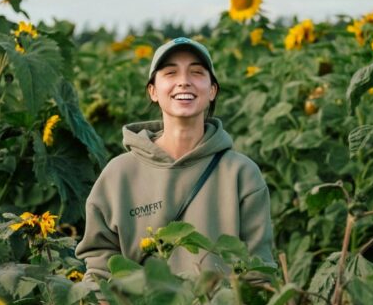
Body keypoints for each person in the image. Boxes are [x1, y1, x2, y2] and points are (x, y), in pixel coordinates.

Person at [76, 37, 274, 281]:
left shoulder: (241, 174)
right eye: (170, 73)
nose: (184, 82)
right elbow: (100, 271)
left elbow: (258, 271)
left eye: (197, 73)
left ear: (212, 90)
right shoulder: (119, 174)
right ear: (153, 91)